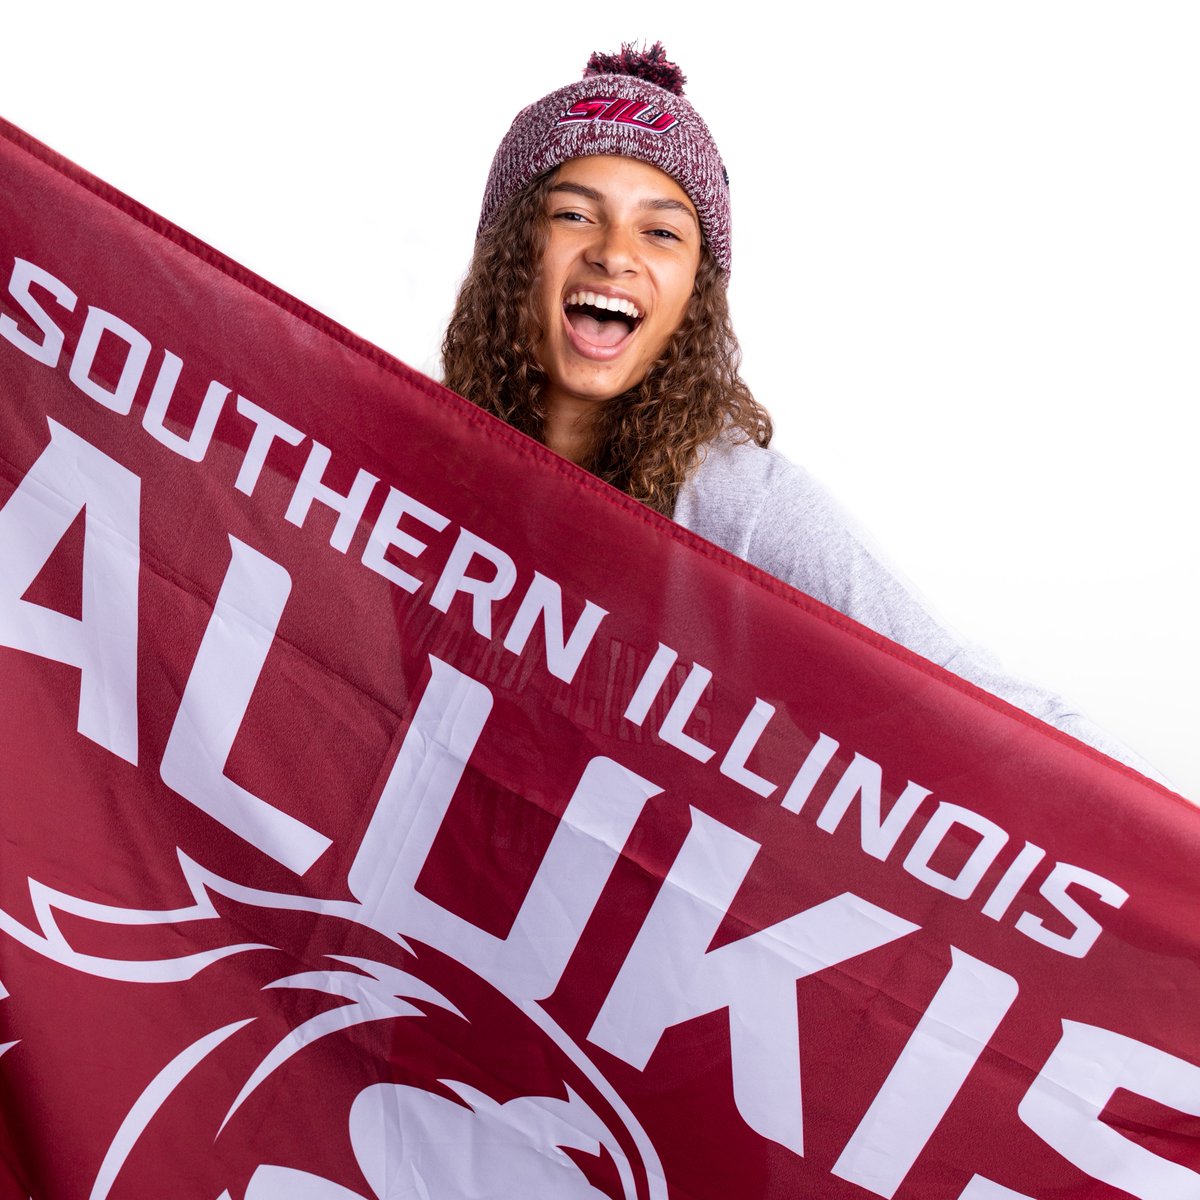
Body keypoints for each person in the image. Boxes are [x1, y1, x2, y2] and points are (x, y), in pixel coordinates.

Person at [442, 42, 1161, 781]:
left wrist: (1167, 845)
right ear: (509, 253)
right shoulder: (421, 461)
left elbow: (963, 698)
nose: (614, 254)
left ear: (694, 294)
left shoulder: (739, 507)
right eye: (573, 214)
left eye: (660, 231)